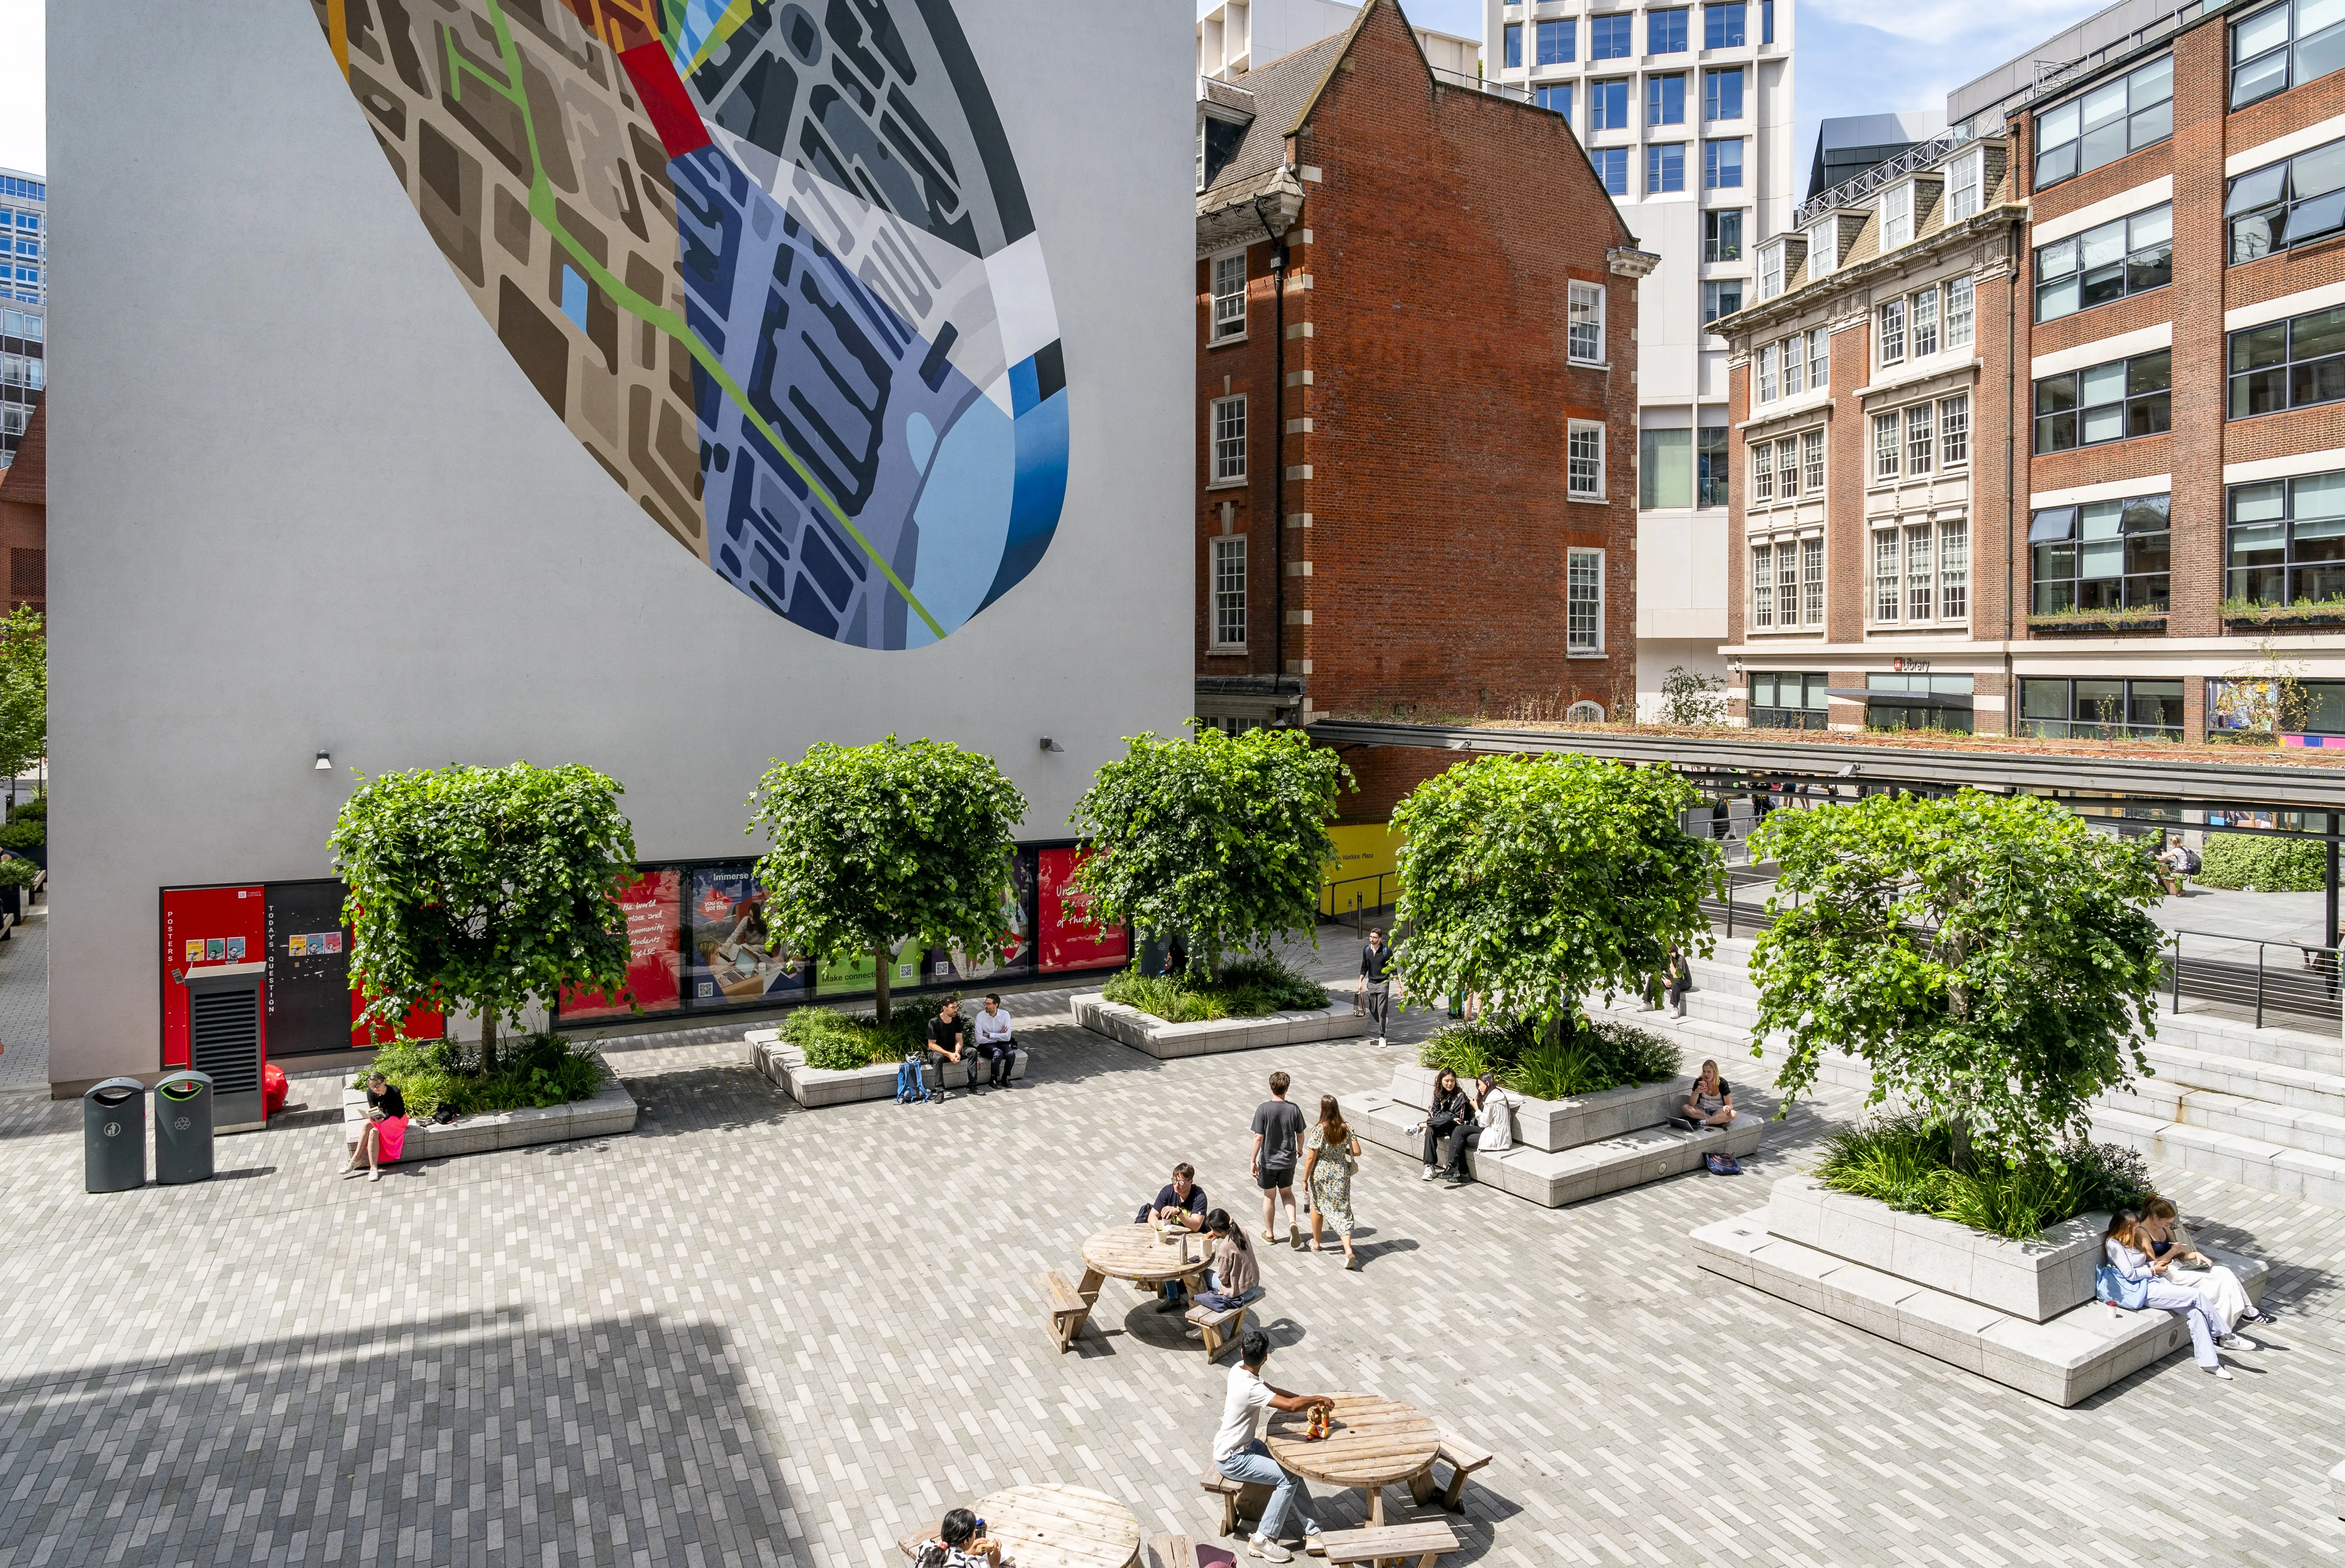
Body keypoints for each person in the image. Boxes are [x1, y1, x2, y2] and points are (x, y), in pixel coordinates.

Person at [1211, 1330, 1332, 1563]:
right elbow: (1289, 1406)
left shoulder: (1238, 1370)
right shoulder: (1251, 1388)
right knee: (1288, 1479)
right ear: (1266, 1358)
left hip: (1242, 1445)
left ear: (1242, 1352)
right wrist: (1317, 1399)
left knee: (1291, 1467)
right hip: (1233, 1459)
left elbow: (1276, 1393)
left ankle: (1314, 1532)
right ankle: (1262, 1539)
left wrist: (1307, 1402)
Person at [2102, 1209, 2254, 1378]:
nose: (2136, 1232)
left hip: (2154, 1282)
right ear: (2123, 1228)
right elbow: (2129, 1274)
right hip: (2144, 1290)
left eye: (2137, 1228)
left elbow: (2142, 1264)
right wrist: (2153, 1270)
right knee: (2196, 1295)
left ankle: (2210, 1364)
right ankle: (2227, 1335)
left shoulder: (2128, 1242)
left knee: (2196, 1313)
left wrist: (2154, 1266)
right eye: (2134, 1229)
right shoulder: (2114, 1244)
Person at [2140, 1197, 2274, 1333]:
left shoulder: (2164, 1229)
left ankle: (2238, 1318)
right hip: (2166, 1274)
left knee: (2225, 1272)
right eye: (2167, 1222)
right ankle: (2240, 1318)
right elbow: (2154, 1263)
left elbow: (2180, 1254)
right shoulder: (2142, 1232)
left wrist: (2196, 1255)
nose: (2168, 1225)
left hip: (2179, 1267)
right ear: (2155, 1217)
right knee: (2219, 1283)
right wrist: (2173, 1251)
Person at [1135, 1162, 1211, 1309]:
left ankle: (1197, 1303)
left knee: (1190, 1268)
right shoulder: (1168, 1191)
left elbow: (1196, 1226)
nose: (1177, 1185)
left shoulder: (1199, 1197)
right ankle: (1173, 1297)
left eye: (1181, 1182)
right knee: (1163, 1257)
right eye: (1175, 1181)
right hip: (1173, 1237)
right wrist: (1161, 1229)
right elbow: (1152, 1216)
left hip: (1194, 1241)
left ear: (1190, 1182)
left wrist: (1179, 1213)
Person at [1301, 1096, 1362, 1268]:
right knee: (1343, 1210)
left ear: (1322, 1109)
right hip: (1341, 1174)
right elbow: (1357, 1151)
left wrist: (1305, 1179)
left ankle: (1316, 1243)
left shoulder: (1318, 1130)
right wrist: (1341, 1149)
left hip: (1321, 1174)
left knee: (1318, 1206)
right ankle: (1349, 1251)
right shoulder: (1347, 1127)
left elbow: (1311, 1158)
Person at [1187, 1208, 1265, 1339]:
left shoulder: (1225, 1248)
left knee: (1199, 1274)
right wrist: (1217, 1234)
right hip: (1254, 1284)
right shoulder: (1242, 1232)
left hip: (1242, 1293)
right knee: (1208, 1277)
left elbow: (1223, 1279)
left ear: (1219, 1230)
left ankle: (1203, 1328)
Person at [1250, 1071, 1307, 1248]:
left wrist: (1253, 1160)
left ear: (1271, 1087)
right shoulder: (1294, 1109)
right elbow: (1301, 1134)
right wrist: (1300, 1149)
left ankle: (1270, 1235)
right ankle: (1292, 1222)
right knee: (1287, 1193)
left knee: (1269, 1196)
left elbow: (1258, 1137)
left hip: (1268, 1163)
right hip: (1288, 1162)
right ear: (1287, 1089)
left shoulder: (1263, 1109)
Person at [1441, 1071, 1517, 1185]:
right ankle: (1455, 1168)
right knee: (1459, 1131)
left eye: (1480, 1085)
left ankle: (1458, 1170)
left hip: (1495, 1138)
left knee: (1459, 1138)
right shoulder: (1499, 1094)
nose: (1479, 1089)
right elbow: (1519, 1098)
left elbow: (1483, 1123)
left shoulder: (1492, 1099)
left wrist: (1476, 1108)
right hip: (1493, 1132)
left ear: (1487, 1083)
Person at [1407, 1068, 1474, 1181]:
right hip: (1442, 1125)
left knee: (1447, 1120)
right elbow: (1435, 1114)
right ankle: (1430, 1167)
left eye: (1453, 1081)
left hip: (1456, 1129)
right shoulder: (1438, 1093)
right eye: (1447, 1081)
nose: (1450, 1084)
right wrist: (1450, 1117)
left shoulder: (1460, 1096)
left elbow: (1460, 1120)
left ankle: (1421, 1126)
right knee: (1431, 1130)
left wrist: (1449, 1118)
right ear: (1441, 1081)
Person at [344, 1071, 406, 1183]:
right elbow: (374, 1110)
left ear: (384, 1082)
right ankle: (373, 1168)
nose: (375, 1089)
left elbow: (396, 1112)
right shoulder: (371, 1093)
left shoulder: (394, 1091)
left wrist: (382, 1119)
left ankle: (356, 1159)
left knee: (367, 1124)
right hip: (383, 1120)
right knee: (373, 1132)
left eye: (377, 1085)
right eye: (372, 1087)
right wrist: (375, 1117)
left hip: (398, 1121)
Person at [910, 1507, 1001, 1568]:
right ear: (966, 1541)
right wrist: (994, 1565)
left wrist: (966, 1552)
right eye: (975, 1532)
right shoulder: (969, 1564)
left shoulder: (925, 1547)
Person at [926, 996, 969, 1100]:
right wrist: (949, 1054)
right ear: (944, 1008)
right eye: (953, 1008)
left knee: (972, 1052)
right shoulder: (934, 1022)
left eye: (956, 1007)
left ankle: (972, 1085)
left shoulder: (957, 1019)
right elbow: (931, 1045)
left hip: (952, 1051)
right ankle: (940, 1091)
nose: (956, 1010)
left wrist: (957, 1052)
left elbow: (959, 1039)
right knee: (938, 1057)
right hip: (936, 1052)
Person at [971, 993, 1017, 1088]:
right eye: (985, 1003)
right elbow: (979, 1039)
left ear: (996, 1005)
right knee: (998, 1053)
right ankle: (993, 1079)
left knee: (1011, 1054)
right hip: (985, 1045)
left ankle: (1005, 1078)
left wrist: (989, 1035)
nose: (986, 1006)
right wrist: (999, 1036)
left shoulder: (1005, 1015)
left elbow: (1007, 1037)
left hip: (1001, 1043)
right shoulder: (981, 1016)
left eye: (989, 1004)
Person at [1358, 928, 1395, 1045]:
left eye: (1374, 937)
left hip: (1383, 983)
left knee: (1382, 1011)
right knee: (1373, 1010)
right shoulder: (1366, 950)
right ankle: (1383, 1021)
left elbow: (1393, 969)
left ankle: (1382, 1036)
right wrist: (1360, 982)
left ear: (1380, 939)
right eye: (1371, 937)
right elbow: (1364, 967)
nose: (1372, 939)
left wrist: (1399, 986)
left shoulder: (1387, 951)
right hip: (1371, 983)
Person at [1674, 1060, 1733, 1132]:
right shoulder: (1699, 1082)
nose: (1706, 1074)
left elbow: (1729, 1105)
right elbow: (1692, 1104)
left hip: (1718, 1111)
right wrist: (1697, 1092)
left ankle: (1702, 1122)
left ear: (1715, 1072)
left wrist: (1727, 1108)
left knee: (1733, 1114)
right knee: (1686, 1108)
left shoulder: (1722, 1083)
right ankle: (1715, 1121)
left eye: (1709, 1072)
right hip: (1703, 1111)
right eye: (1704, 1071)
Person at [1660, 948, 1692, 1018]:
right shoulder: (1665, 958)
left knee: (1676, 982)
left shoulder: (1681, 959)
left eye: (1672, 952)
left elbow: (1676, 976)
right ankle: (1647, 1002)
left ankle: (1675, 1007)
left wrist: (1671, 961)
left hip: (1685, 982)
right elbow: (1657, 971)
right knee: (1652, 978)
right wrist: (1664, 979)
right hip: (1671, 979)